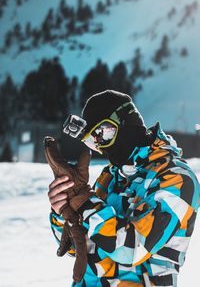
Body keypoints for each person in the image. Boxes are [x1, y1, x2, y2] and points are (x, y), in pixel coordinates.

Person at [48, 90, 200, 287]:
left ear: (127, 123)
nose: (101, 147)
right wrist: (64, 209)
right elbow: (77, 248)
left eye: (104, 134)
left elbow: (132, 249)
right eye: (93, 141)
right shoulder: (111, 176)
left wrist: (85, 203)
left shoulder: (177, 178)